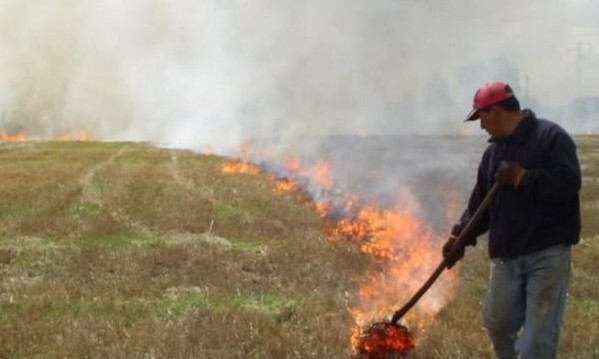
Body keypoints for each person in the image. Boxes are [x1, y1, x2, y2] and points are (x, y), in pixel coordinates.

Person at [442, 82, 581, 359]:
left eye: (481, 117)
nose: (481, 126)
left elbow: (569, 182)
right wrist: (460, 238)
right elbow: (480, 206)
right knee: (499, 324)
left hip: (547, 255)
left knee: (537, 341)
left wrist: (523, 178)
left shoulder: (551, 137)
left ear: (495, 111)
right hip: (506, 258)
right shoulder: (493, 154)